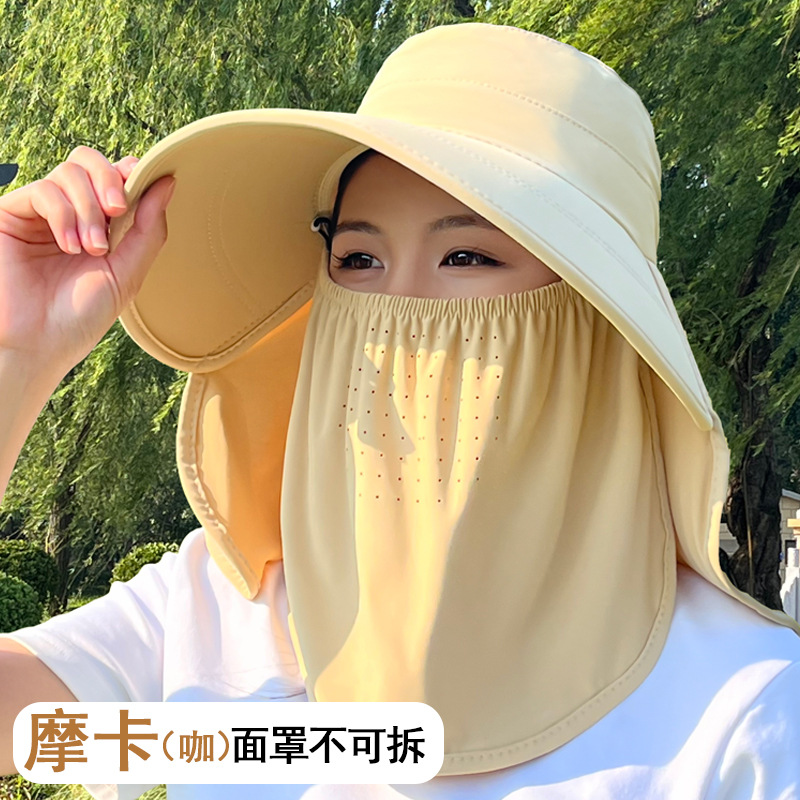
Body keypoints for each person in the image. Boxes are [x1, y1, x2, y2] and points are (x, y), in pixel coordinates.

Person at [1, 21, 799, 800]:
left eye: (466, 256)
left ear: (600, 318)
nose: (394, 315)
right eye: (358, 258)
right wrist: (15, 356)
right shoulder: (221, 605)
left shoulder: (744, 710)